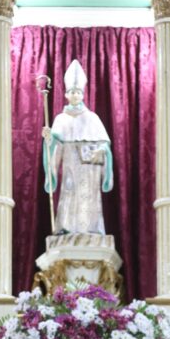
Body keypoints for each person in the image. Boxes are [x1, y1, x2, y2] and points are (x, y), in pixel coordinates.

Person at [42, 59, 113, 235]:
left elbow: (105, 144)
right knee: (69, 190)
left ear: (82, 95)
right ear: (66, 94)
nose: (75, 95)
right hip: (70, 164)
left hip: (89, 168)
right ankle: (66, 227)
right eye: (72, 92)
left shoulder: (92, 118)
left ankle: (92, 229)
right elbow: (54, 148)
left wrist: (101, 150)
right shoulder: (60, 119)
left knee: (89, 197)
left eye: (78, 92)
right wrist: (49, 139)